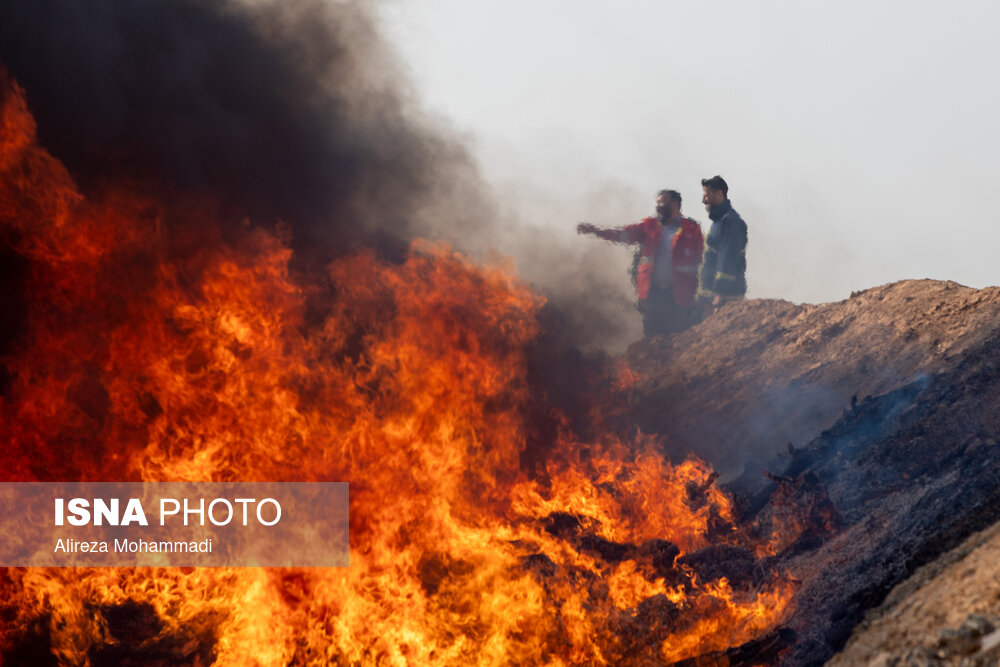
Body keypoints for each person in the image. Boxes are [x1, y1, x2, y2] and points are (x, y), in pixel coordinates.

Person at [577, 190, 704, 336]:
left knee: (678, 336)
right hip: (653, 292)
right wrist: (596, 231)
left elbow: (701, 262)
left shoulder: (692, 229)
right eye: (657, 203)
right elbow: (622, 234)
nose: (658, 207)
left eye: (662, 203)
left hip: (680, 293)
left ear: (675, 204)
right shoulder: (649, 226)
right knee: (652, 336)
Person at [698, 175, 747, 312]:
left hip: (726, 298)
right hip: (715, 297)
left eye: (706, 196)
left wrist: (721, 293)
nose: (703, 200)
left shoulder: (730, 222)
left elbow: (728, 259)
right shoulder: (719, 222)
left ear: (719, 194)